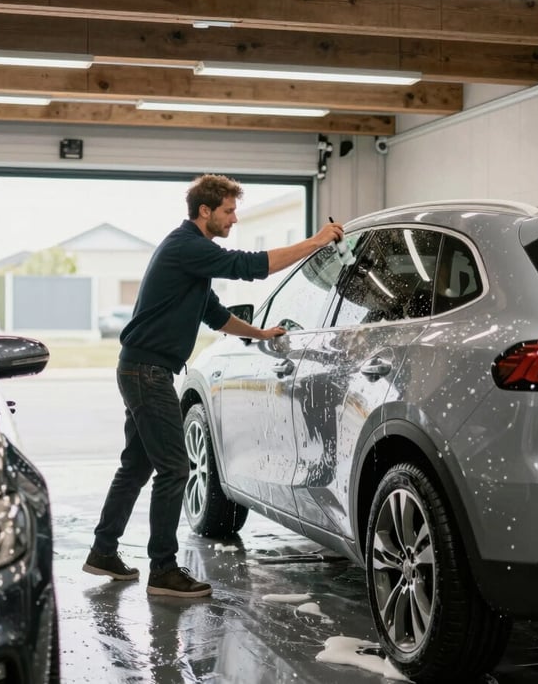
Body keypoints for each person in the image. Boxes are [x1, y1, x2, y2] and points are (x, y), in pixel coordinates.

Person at [83, 174, 344, 598]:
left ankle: (102, 550)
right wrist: (315, 242)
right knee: (174, 469)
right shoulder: (188, 247)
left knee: (136, 465)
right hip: (147, 372)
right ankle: (164, 571)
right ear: (205, 211)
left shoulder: (189, 256)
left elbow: (214, 313)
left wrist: (261, 334)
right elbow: (250, 266)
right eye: (228, 211)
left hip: (142, 369)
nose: (234, 219)